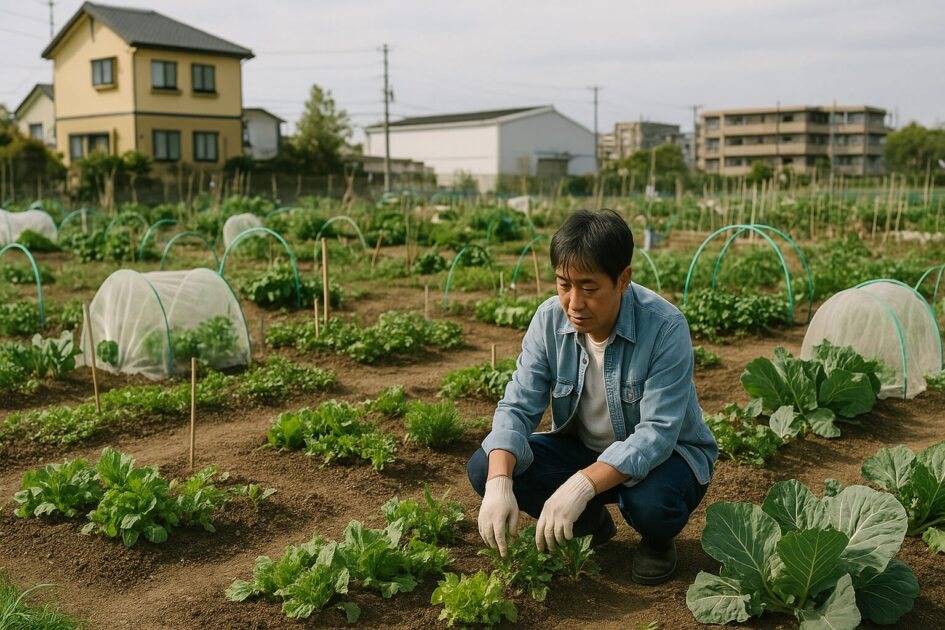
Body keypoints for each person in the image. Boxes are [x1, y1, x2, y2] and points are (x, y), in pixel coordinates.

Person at [467, 209, 718, 585]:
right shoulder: (549, 320)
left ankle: (657, 540)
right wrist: (499, 483)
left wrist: (581, 484)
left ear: (622, 279)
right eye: (564, 284)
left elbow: (656, 436)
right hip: (584, 448)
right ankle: (588, 523)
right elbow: (517, 407)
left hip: (667, 458)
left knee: (650, 504)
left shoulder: (665, 327)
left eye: (588, 287)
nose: (574, 303)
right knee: (486, 465)